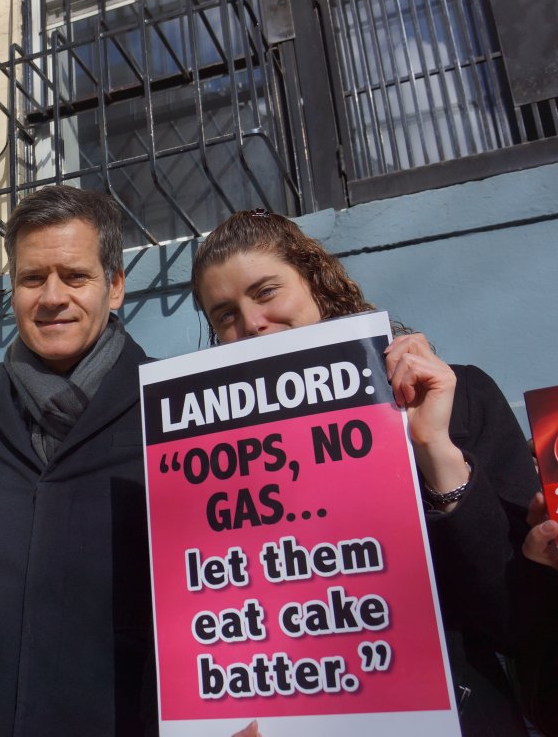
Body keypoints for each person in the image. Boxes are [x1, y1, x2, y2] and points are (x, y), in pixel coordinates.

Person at [191, 210, 557, 736]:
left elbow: (519, 624)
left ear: (315, 282)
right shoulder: (213, 465)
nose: (251, 324)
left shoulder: (457, 397)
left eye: (266, 291)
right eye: (225, 315)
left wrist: (435, 449)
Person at [0, 185, 158, 735]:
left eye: (75, 276)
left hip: (119, 714)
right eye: (31, 278)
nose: (52, 296)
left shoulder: (168, 401)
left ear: (114, 286)